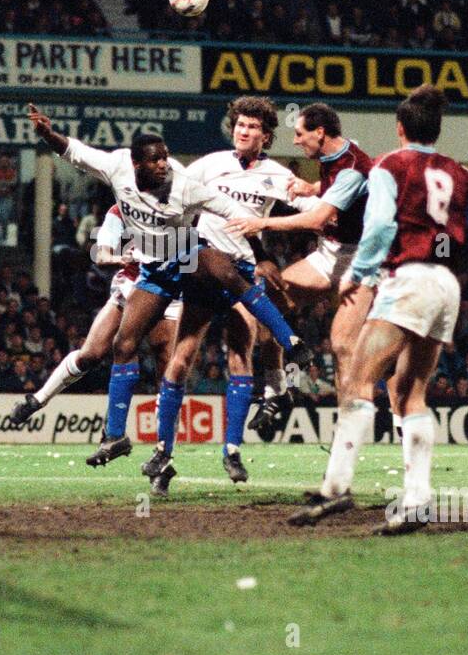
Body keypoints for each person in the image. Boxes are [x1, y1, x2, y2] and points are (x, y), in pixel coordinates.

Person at [26, 103, 312, 472]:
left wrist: (264, 247)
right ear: (136, 164)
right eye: (156, 159)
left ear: (266, 135)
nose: (164, 164)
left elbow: (233, 212)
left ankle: (286, 359)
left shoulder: (189, 183)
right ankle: (121, 437)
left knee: (234, 305)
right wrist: (49, 134)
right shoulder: (130, 169)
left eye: (166, 158)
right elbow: (77, 152)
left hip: (205, 257)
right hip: (160, 269)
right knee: (127, 346)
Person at [289, 85, 468, 531]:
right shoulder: (461, 173)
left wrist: (358, 272)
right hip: (446, 286)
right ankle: (417, 501)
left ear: (399, 128)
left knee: (358, 378)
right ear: (436, 130)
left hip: (408, 279)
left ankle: (335, 490)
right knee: (408, 392)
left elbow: (378, 226)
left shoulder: (389, 166)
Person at [148, 96, 312, 490]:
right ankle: (162, 452)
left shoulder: (276, 174)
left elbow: (315, 207)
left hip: (242, 270)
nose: (244, 131)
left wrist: (315, 192)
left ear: (266, 135)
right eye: (240, 124)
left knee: (241, 357)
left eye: (253, 127)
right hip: (205, 270)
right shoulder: (207, 165)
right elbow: (175, 196)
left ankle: (233, 451)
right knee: (181, 357)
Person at [226, 102, 373, 434]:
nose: (295, 141)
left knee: (342, 345)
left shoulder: (351, 167)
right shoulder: (335, 157)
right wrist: (313, 188)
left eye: (299, 134)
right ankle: (277, 389)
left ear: (320, 133)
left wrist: (262, 223)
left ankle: (355, 431)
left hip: (361, 261)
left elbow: (319, 218)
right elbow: (337, 189)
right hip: (330, 254)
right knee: (268, 305)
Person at [10, 204, 180, 424]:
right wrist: (118, 258)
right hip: (130, 285)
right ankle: (38, 399)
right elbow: (101, 255)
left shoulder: (179, 208)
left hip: (167, 289)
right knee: (91, 353)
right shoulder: (119, 211)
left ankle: (164, 444)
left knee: (164, 358)